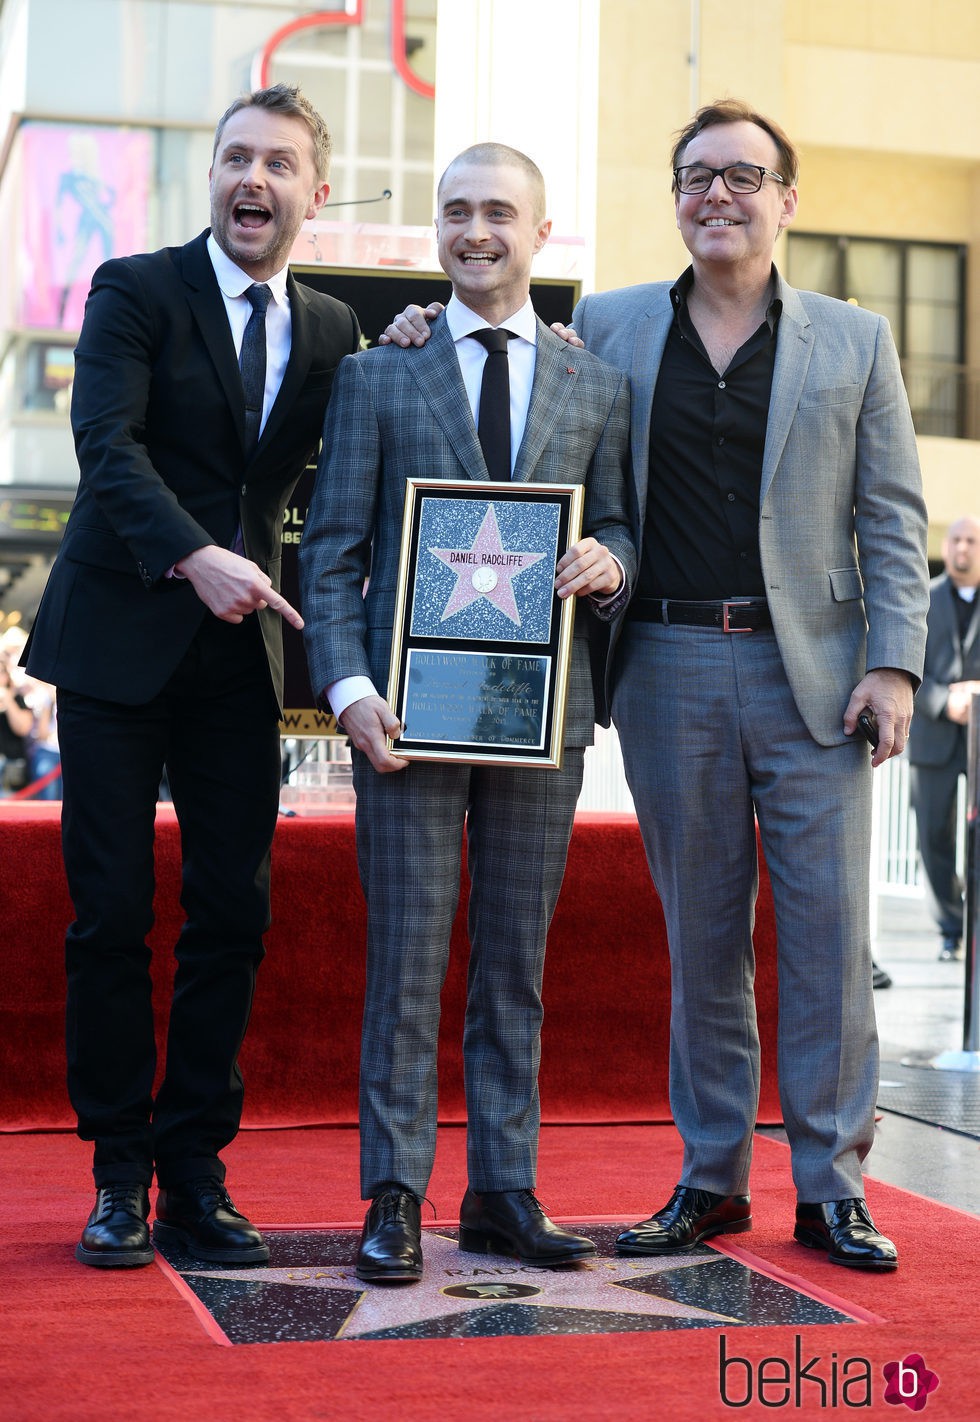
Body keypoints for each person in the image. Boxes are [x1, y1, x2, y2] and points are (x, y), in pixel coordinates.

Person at [383, 101, 929, 1272]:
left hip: (819, 681)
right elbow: (513, 375)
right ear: (673, 197)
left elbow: (890, 516)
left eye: (742, 177)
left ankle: (831, 1187)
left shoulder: (854, 338)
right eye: (694, 177)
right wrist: (414, 323)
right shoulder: (614, 326)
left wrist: (892, 664)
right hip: (666, 664)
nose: (715, 196)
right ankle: (710, 1179)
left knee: (827, 940)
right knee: (701, 943)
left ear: (787, 197)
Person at [23, 84, 360, 1269]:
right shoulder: (135, 287)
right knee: (111, 914)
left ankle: (194, 1171)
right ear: (210, 177)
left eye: (276, 163)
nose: (250, 180)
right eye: (232, 160)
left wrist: (415, 344)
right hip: (116, 643)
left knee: (234, 912)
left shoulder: (328, 332)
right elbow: (104, 452)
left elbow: (340, 467)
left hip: (238, 660)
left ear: (316, 189)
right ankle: (116, 1175)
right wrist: (193, 553)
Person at [299, 142, 634, 1284]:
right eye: (455, 212)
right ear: (434, 233)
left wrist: (608, 559)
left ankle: (500, 1190)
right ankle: (393, 1194)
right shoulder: (377, 377)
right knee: (403, 957)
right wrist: (348, 693)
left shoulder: (597, 384)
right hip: (405, 720)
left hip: (542, 718)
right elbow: (334, 554)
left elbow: (626, 524)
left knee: (512, 964)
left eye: (499, 212)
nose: (475, 230)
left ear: (541, 234)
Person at [907, 515, 980, 961]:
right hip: (932, 735)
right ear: (945, 544)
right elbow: (903, 663)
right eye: (957, 539)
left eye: (972, 540)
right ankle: (950, 928)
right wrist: (941, 701)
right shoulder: (923, 598)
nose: (963, 548)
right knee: (932, 836)